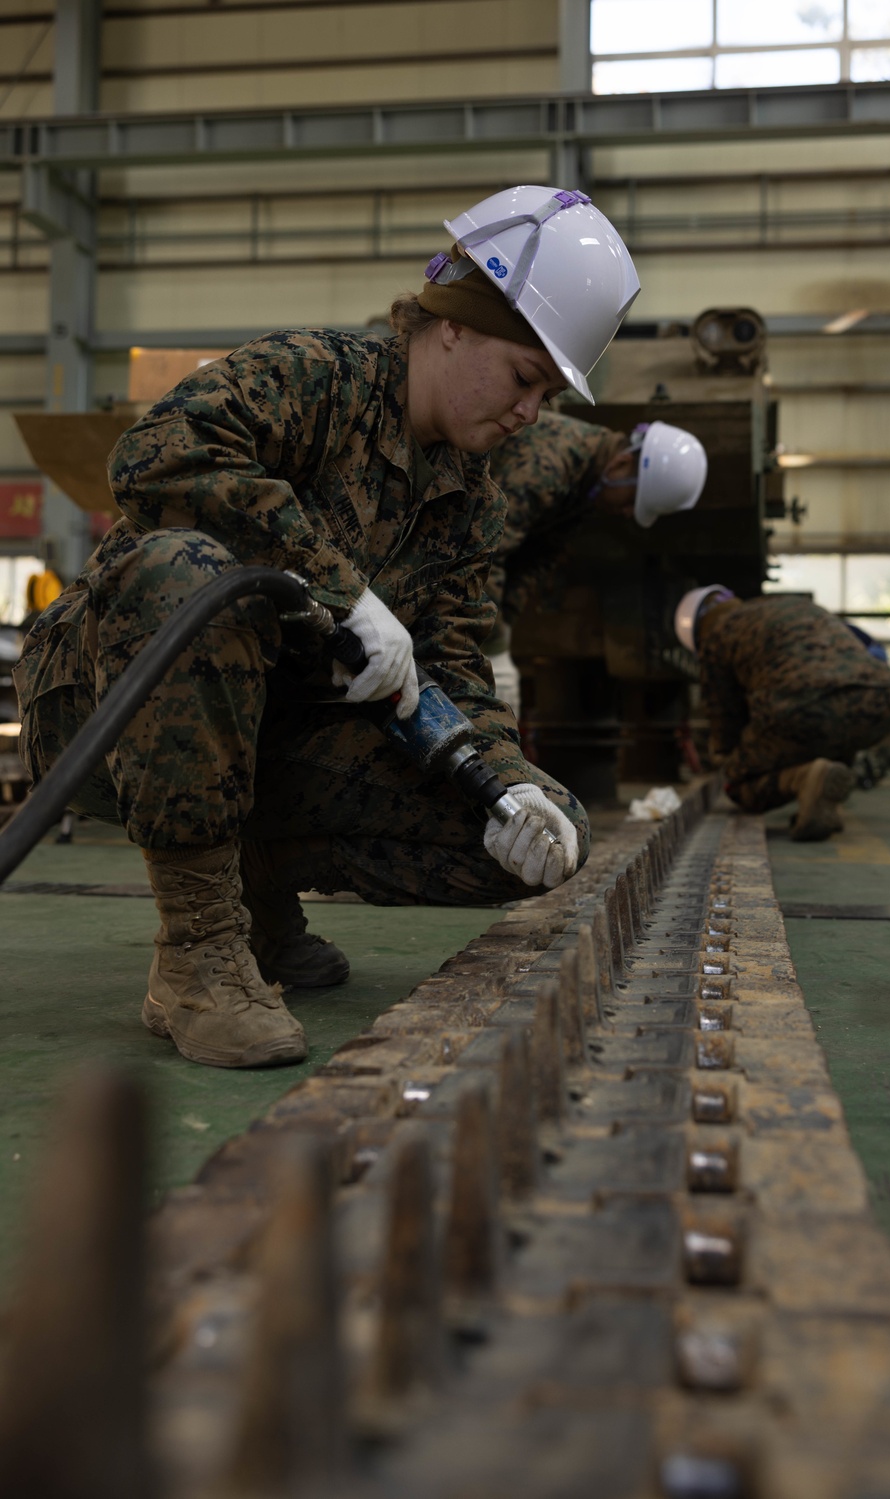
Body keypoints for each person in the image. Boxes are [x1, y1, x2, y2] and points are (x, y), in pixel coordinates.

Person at [14, 184, 640, 1070]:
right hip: (105, 705)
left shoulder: (472, 497)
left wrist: (509, 785)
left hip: (272, 735)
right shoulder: (319, 377)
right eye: (525, 379)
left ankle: (260, 896)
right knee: (192, 576)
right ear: (454, 323)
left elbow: (455, 663)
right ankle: (197, 954)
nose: (530, 414)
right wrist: (338, 590)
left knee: (538, 837)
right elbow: (151, 456)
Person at [485, 414, 708, 714]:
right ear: (620, 465)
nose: (628, 513)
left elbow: (537, 558)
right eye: (632, 501)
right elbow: (487, 552)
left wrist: (505, 622)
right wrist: (495, 648)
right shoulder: (547, 465)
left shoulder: (585, 486)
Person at [674, 586, 890, 841]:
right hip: (882, 701)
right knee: (820, 735)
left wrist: (732, 759)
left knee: (737, 780)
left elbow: (724, 717)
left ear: (696, 634)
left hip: (804, 707)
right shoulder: (789, 604)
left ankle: (804, 778)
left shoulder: (716, 636)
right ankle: (824, 796)